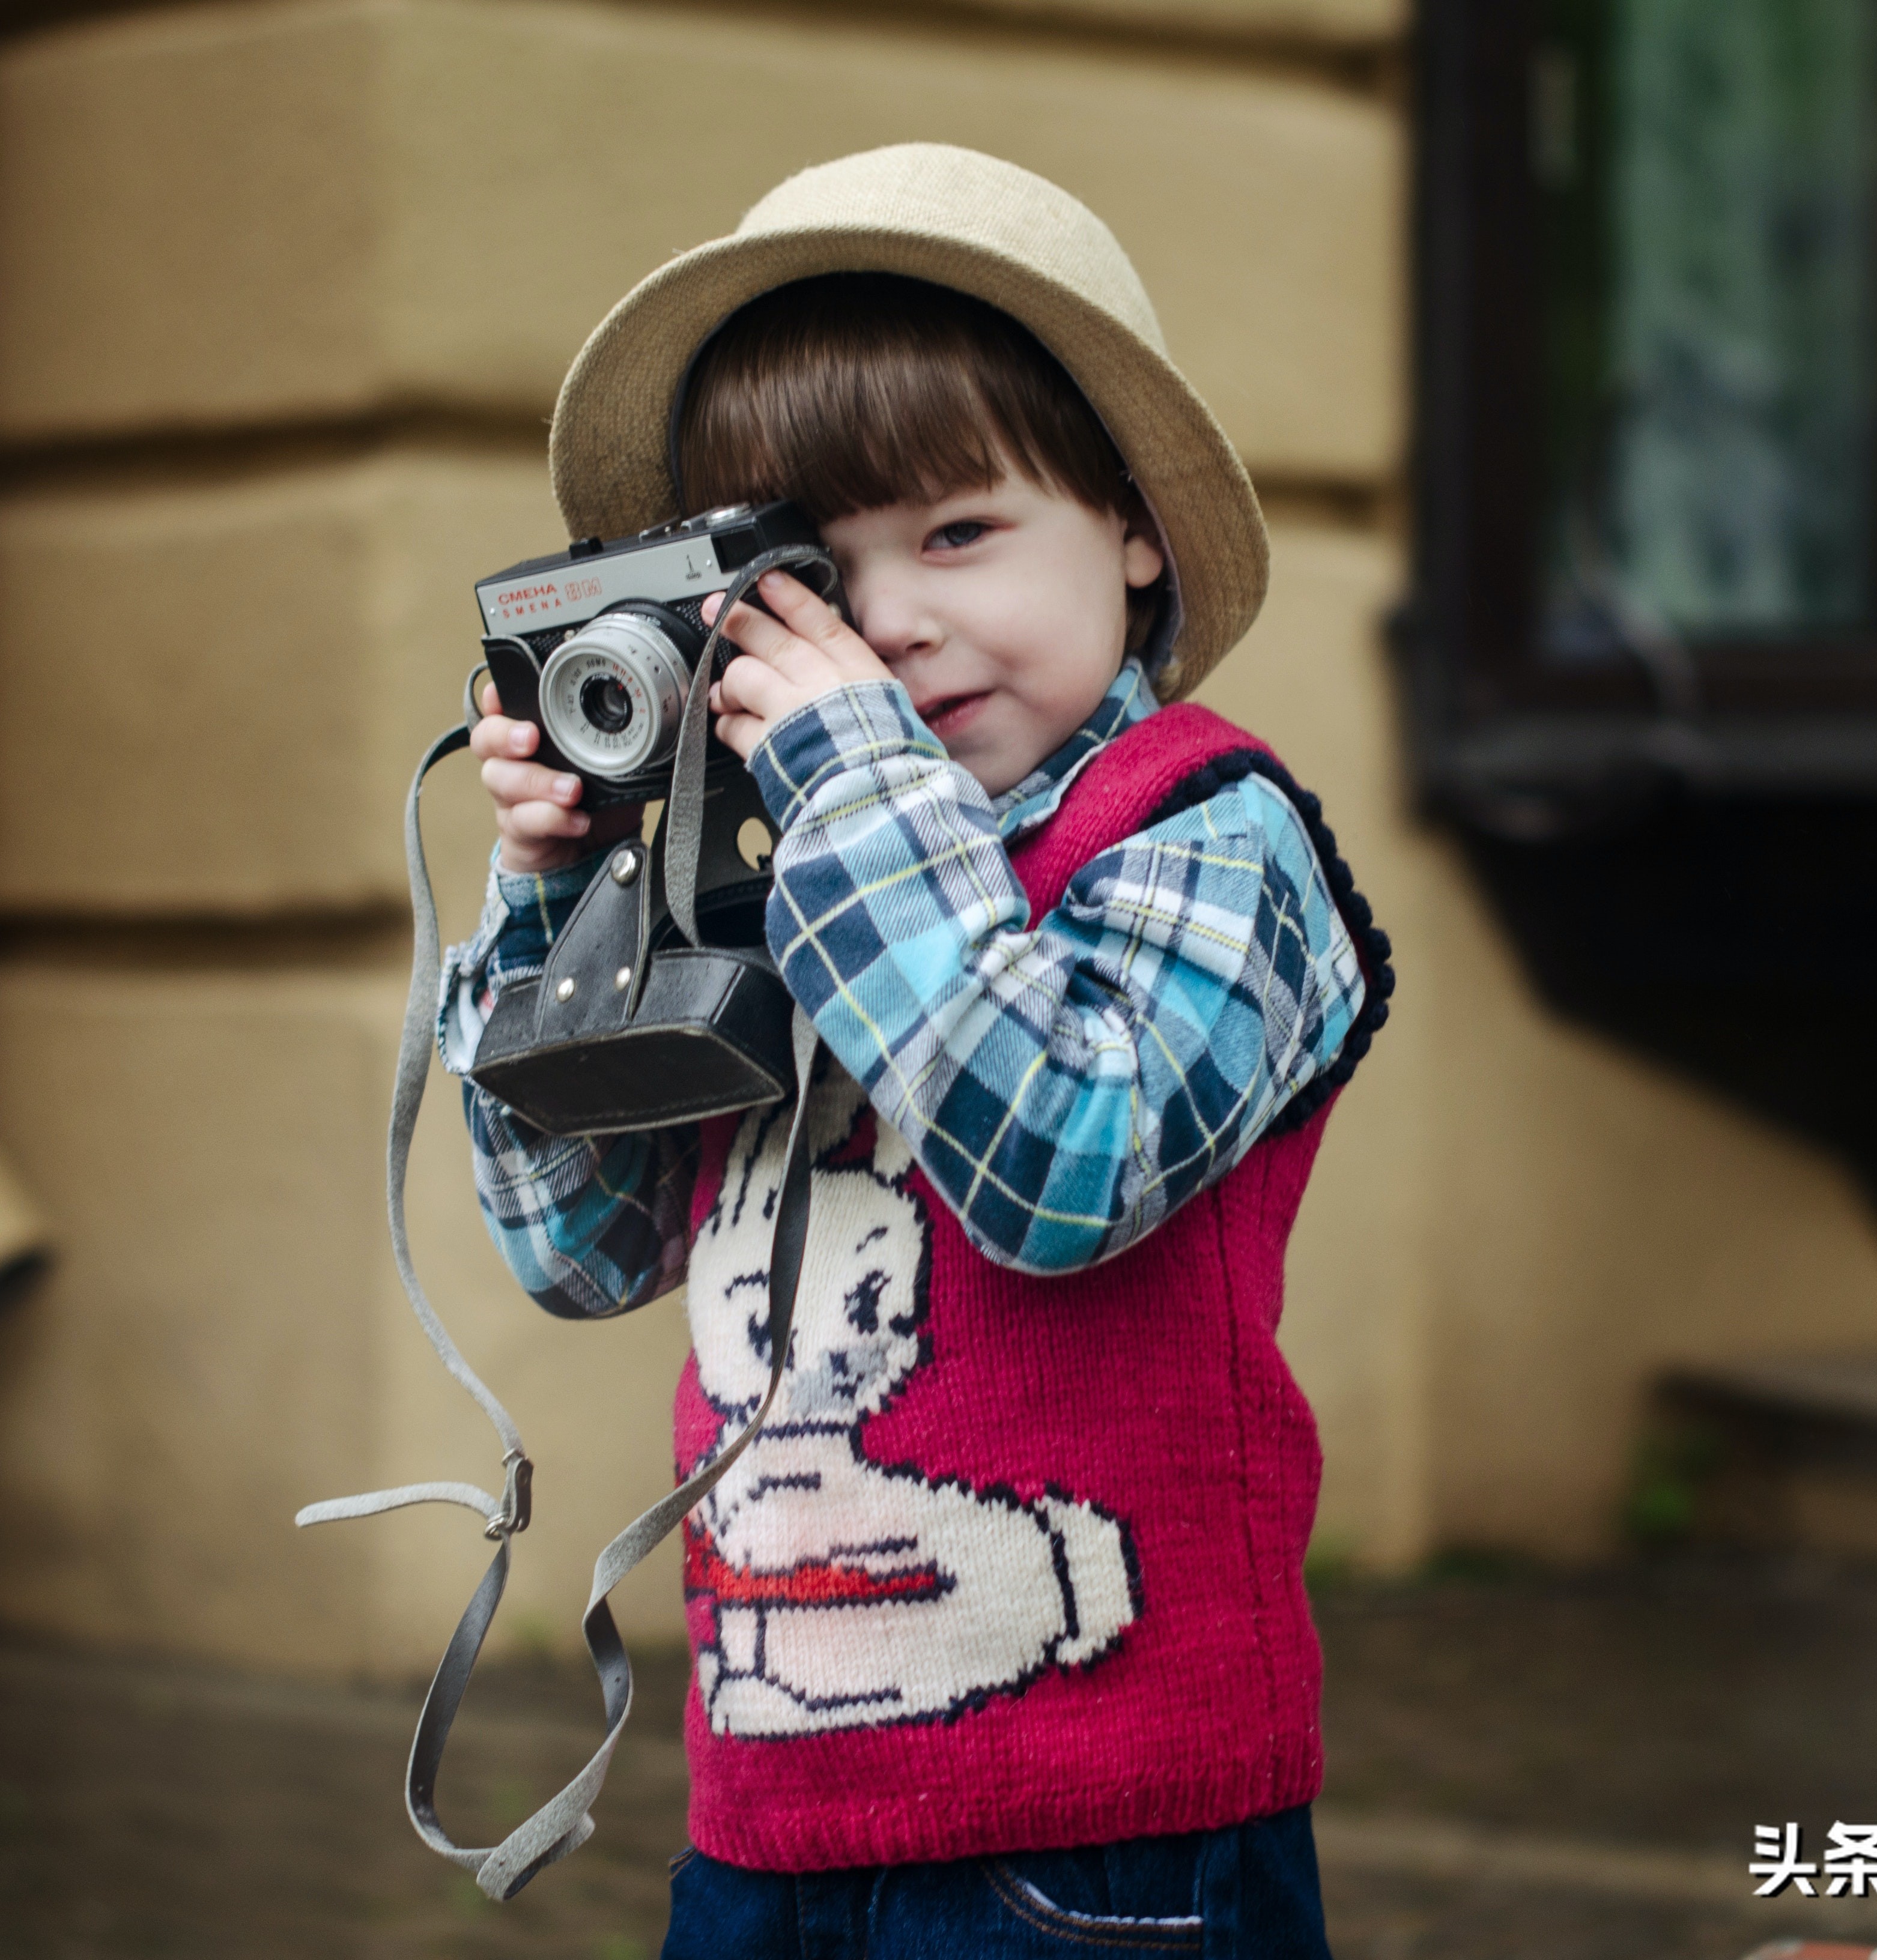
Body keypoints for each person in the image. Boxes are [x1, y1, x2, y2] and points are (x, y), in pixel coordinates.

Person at [439, 144, 1389, 1958]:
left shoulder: (1204, 833)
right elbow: (580, 1252)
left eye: (958, 535)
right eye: (809, 577)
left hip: (1103, 1839)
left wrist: (853, 787)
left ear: (1132, 523)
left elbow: (1064, 1166)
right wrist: (558, 899)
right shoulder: (787, 862)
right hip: (766, 1828)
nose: (885, 628)